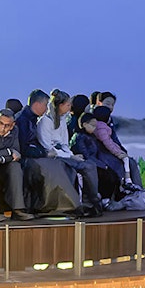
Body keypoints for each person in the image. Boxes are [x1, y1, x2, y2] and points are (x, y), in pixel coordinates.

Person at [17, 89, 84, 214]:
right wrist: (44, 153)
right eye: (45, 104)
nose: (47, 107)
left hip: (37, 155)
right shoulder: (23, 120)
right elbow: (24, 146)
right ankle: (62, 205)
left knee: (58, 165)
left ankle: (68, 203)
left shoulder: (31, 119)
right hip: (28, 159)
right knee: (54, 167)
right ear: (37, 104)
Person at [38, 89, 103, 217]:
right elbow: (47, 147)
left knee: (90, 165)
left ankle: (93, 200)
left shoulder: (62, 120)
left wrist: (71, 154)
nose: (69, 107)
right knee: (83, 167)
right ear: (60, 105)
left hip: (63, 153)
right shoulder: (45, 121)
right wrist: (70, 156)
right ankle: (87, 202)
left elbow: (64, 144)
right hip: (53, 157)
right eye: (68, 105)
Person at [91, 105, 143, 187]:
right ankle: (127, 180)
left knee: (126, 159)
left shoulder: (97, 126)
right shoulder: (101, 128)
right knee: (125, 159)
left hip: (104, 152)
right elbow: (108, 142)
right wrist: (118, 152)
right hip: (105, 154)